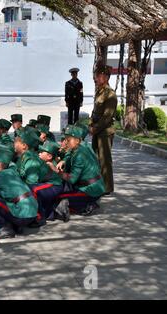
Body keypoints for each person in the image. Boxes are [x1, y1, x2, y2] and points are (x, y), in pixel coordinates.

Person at [0, 145, 38, 239]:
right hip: (32, 213)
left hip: (22, 215)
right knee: (0, 195)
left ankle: (4, 227)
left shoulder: (0, 176)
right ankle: (16, 225)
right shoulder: (11, 171)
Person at [57, 126, 105, 216]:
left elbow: (72, 179)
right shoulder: (82, 146)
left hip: (90, 189)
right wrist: (63, 160)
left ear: (77, 141)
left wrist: (57, 172)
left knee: (60, 198)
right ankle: (89, 202)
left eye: (68, 140)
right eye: (65, 140)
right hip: (96, 186)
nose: (65, 142)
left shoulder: (79, 155)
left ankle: (89, 205)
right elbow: (69, 154)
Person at [89, 64, 117, 195]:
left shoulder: (110, 94)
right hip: (96, 130)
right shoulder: (99, 91)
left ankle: (107, 187)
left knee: (105, 160)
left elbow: (107, 117)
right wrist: (90, 124)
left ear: (105, 77)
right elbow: (95, 112)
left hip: (105, 132)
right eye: (96, 75)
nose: (95, 78)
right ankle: (98, 184)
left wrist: (95, 128)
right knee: (95, 159)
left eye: (98, 75)